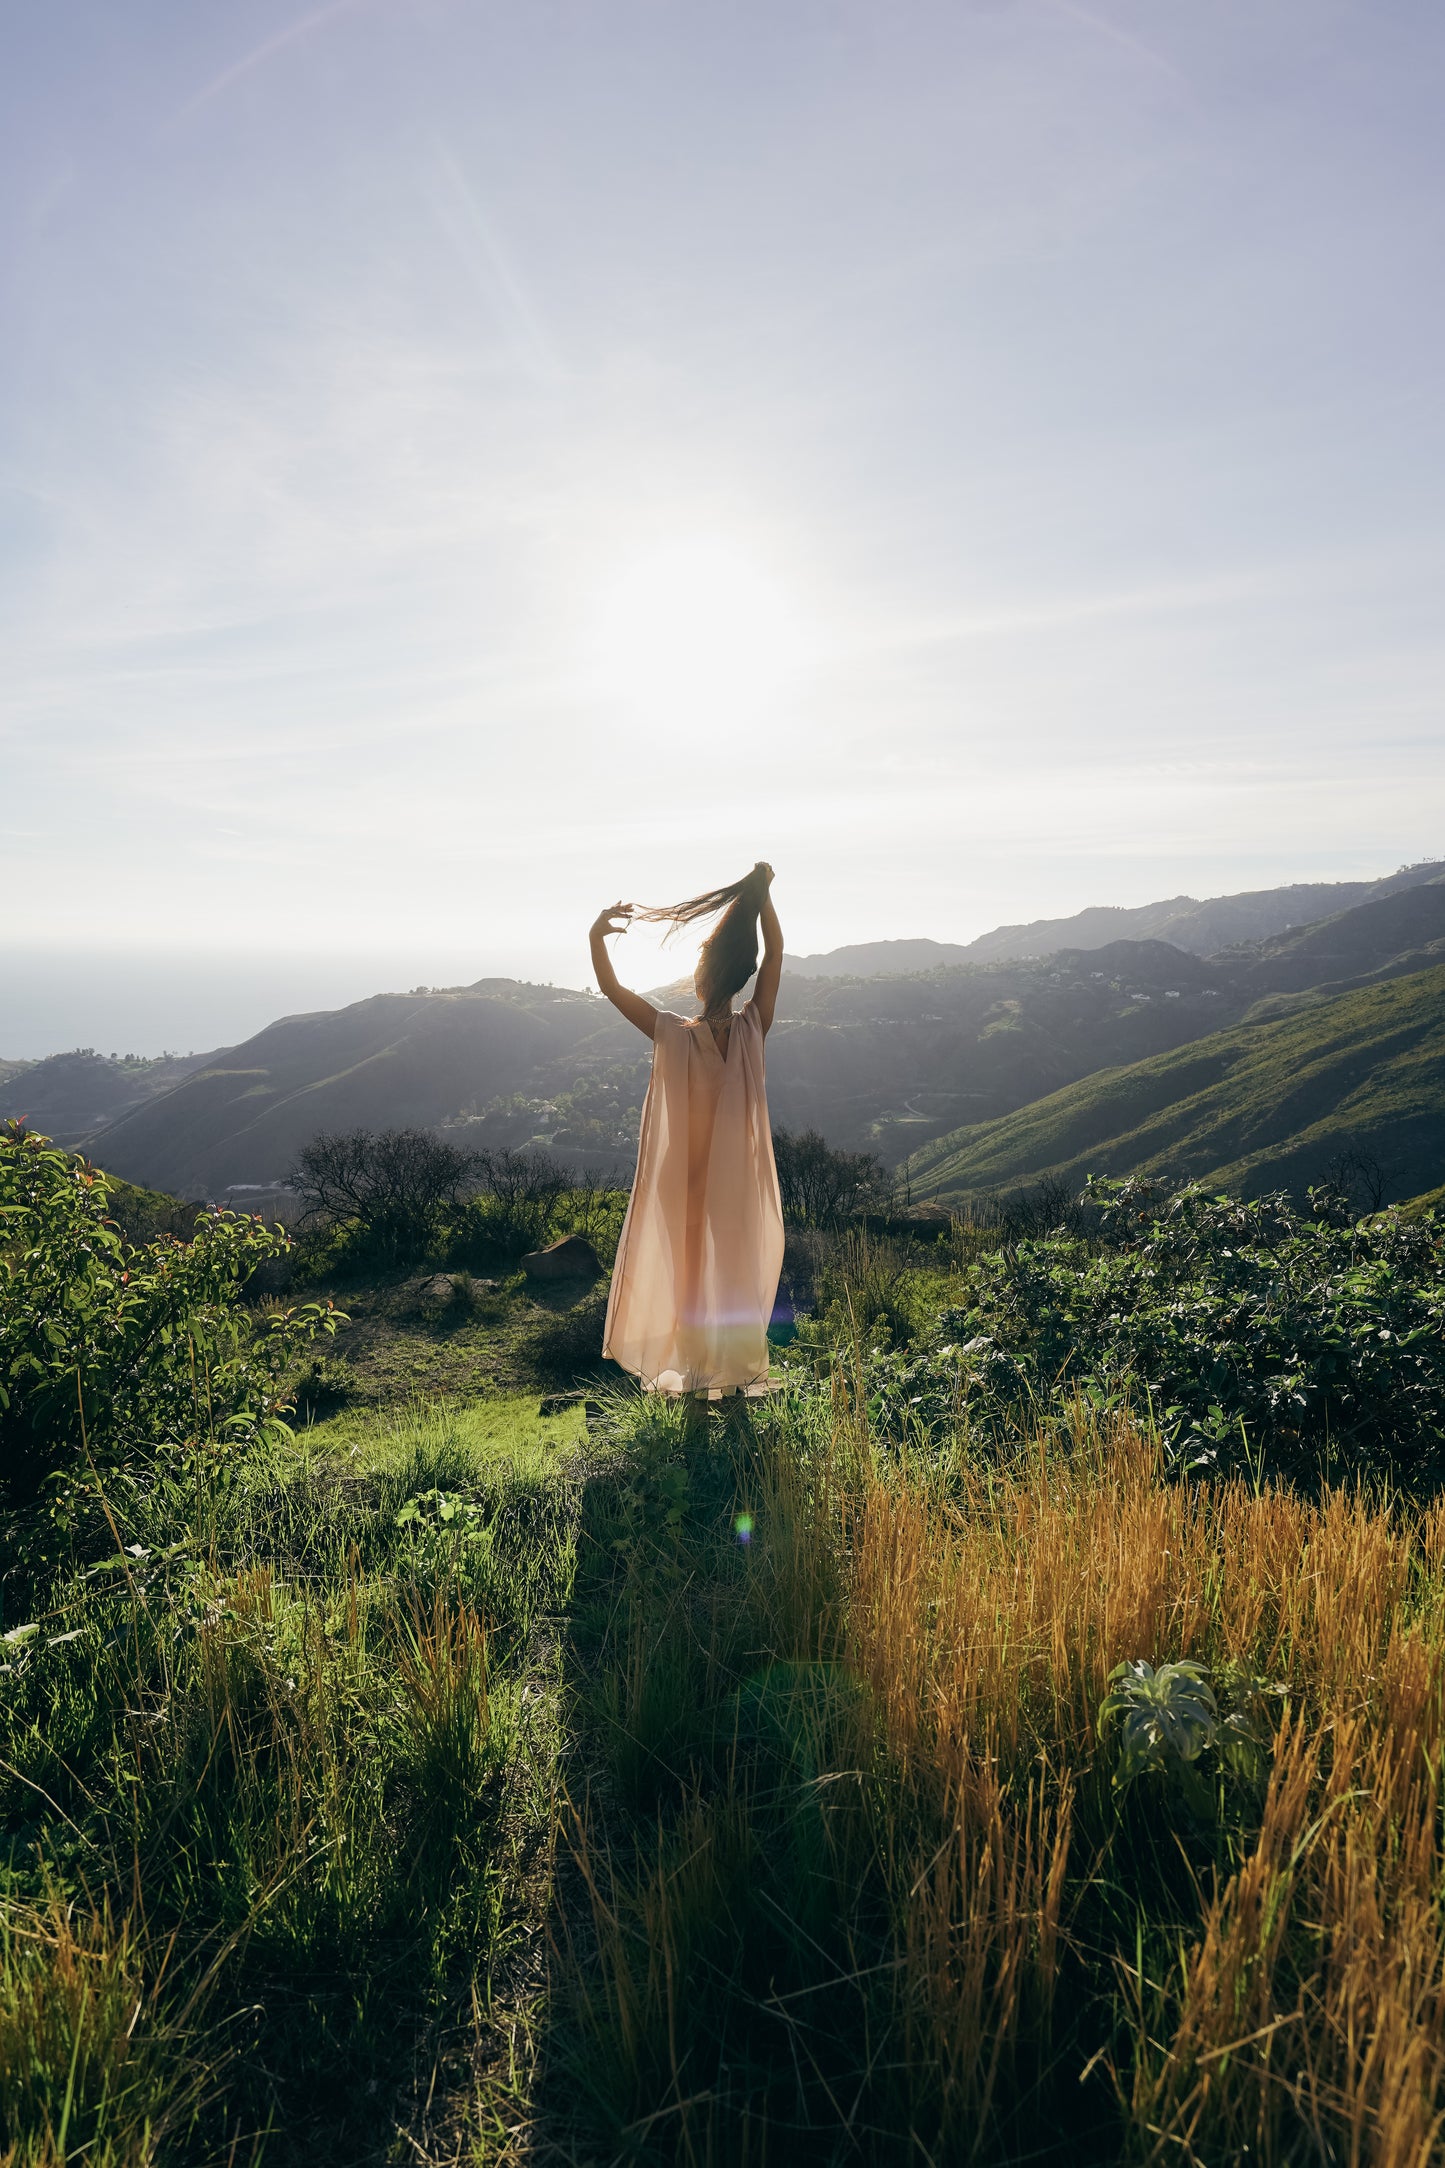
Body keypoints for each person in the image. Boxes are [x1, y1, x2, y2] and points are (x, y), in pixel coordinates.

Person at [589, 862, 785, 1397]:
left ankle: (698, 1387)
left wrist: (595, 937)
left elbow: (611, 988)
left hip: (686, 1185)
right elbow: (775, 955)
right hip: (735, 1186)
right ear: (740, 975)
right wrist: (760, 899)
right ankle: (739, 1385)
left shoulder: (672, 1035)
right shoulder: (752, 1030)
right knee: (736, 1280)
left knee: (692, 1289)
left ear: (702, 978)